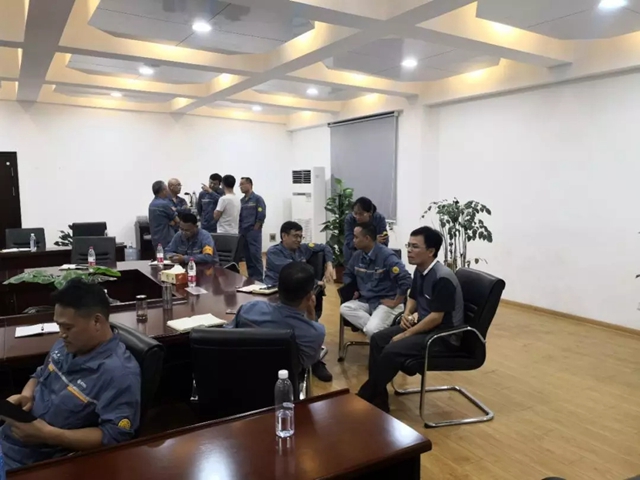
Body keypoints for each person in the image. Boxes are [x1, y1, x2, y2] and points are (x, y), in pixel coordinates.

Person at [0, 279, 141, 470]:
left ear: (96, 321)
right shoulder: (68, 344)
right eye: (59, 326)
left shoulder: (119, 375)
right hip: (8, 439)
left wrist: (47, 434)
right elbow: (40, 374)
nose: (61, 334)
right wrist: (26, 395)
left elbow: (115, 436)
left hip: (33, 462)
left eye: (67, 327)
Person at [357, 226, 465, 412]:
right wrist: (407, 314)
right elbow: (413, 296)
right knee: (378, 339)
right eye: (409, 245)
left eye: (415, 246)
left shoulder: (443, 277)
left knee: (392, 347)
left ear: (430, 251)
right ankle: (379, 399)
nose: (409, 250)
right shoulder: (420, 270)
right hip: (424, 326)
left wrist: (406, 334)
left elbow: (436, 318)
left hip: (443, 336)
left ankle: (366, 395)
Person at [264, 221, 336, 382]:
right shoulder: (274, 252)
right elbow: (293, 273)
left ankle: (314, 360)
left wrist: (329, 264)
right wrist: (316, 282)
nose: (298, 240)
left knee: (308, 313)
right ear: (284, 236)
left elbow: (325, 247)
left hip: (299, 293)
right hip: (276, 293)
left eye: (300, 236)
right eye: (295, 236)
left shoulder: (303, 249)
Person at [229, 262, 325, 371]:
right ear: (309, 297)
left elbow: (227, 336)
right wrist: (311, 314)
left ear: (278, 289)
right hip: (284, 380)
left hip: (243, 373)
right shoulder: (315, 332)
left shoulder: (249, 309)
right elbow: (308, 363)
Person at [340, 222, 412, 338]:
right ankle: (379, 331)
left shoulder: (387, 256)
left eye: (356, 237)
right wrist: (353, 288)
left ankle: (376, 331)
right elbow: (348, 274)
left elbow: (406, 279)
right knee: (345, 308)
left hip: (386, 302)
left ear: (367, 238)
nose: (353, 240)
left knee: (372, 330)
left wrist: (397, 301)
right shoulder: (357, 256)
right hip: (367, 300)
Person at [344, 197, 389, 265]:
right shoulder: (350, 219)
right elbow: (350, 243)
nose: (357, 217)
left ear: (370, 213)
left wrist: (362, 242)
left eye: (361, 214)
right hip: (353, 254)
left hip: (375, 255)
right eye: (355, 213)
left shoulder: (379, 219)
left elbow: (384, 242)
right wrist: (373, 241)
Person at [238, 177, 266, 281]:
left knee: (255, 256)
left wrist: (255, 229)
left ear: (249, 184)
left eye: (242, 184)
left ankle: (259, 279)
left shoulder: (257, 199)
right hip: (243, 232)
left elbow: (261, 215)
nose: (241, 187)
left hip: (253, 232)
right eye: (240, 185)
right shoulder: (242, 201)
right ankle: (251, 279)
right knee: (247, 257)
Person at [148, 180, 178, 250]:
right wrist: (173, 222)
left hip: (156, 239)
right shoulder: (164, 204)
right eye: (167, 188)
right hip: (166, 239)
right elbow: (177, 220)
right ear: (164, 191)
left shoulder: (152, 204)